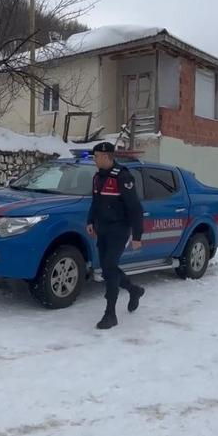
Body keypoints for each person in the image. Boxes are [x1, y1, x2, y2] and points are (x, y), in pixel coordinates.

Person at [87, 141, 145, 330]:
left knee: (110, 267)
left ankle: (110, 314)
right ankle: (134, 290)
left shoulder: (123, 177)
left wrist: (137, 236)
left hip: (119, 230)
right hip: (102, 229)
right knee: (106, 269)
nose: (94, 160)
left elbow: (135, 208)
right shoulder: (98, 177)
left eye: (96, 156)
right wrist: (90, 221)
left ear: (105, 156)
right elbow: (95, 201)